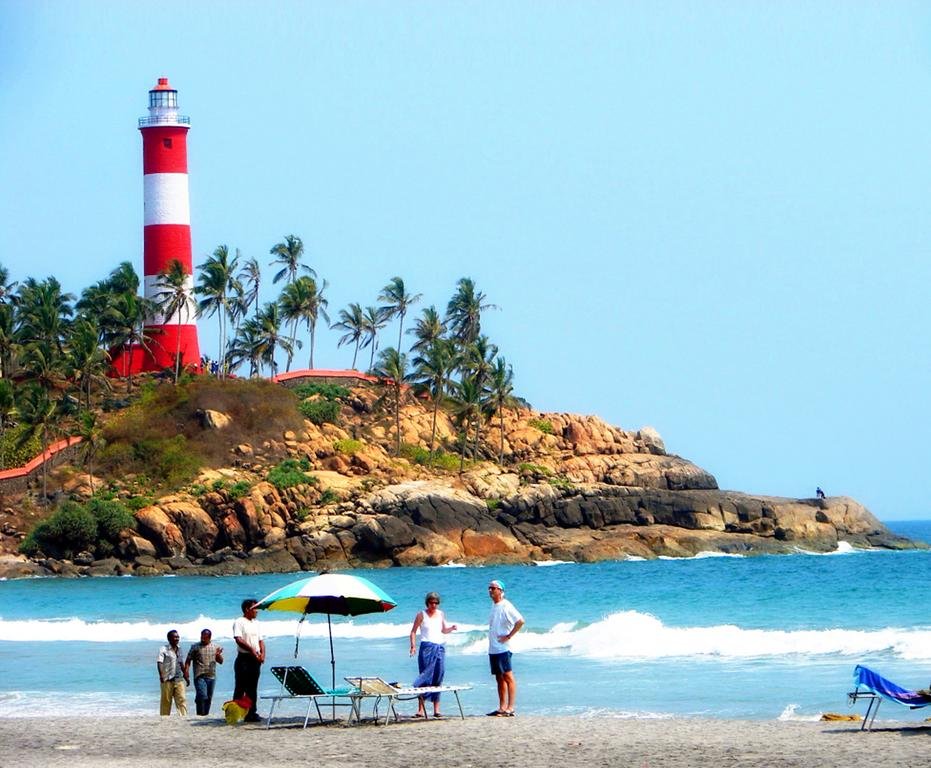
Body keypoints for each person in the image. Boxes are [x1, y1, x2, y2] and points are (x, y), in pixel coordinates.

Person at [408, 591, 457, 718]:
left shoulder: (441, 614)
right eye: (431, 603)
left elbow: (443, 630)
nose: (434, 605)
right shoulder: (421, 615)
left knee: (438, 676)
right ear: (427, 603)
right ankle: (420, 709)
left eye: (436, 603)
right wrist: (413, 646)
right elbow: (413, 632)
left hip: (439, 647)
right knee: (425, 676)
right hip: (426, 648)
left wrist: (451, 628)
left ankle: (437, 709)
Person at [487, 579, 524, 717]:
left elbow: (520, 621)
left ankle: (511, 707)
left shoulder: (506, 605)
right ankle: (502, 707)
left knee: (508, 676)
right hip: (493, 648)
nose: (491, 590)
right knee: (499, 678)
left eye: (493, 588)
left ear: (501, 591)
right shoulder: (494, 606)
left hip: (503, 648)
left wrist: (508, 636)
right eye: (490, 588)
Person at [232, 599, 265, 723]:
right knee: (241, 686)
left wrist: (262, 654)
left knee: (252, 687)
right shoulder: (239, 622)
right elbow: (238, 639)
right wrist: (252, 650)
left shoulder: (256, 623)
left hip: (255, 659)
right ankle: (236, 712)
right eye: (255, 608)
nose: (257, 611)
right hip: (244, 658)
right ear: (247, 609)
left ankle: (251, 712)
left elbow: (261, 641)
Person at [185, 628, 224, 716]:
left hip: (211, 676)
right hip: (199, 676)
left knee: (208, 699)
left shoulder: (215, 647)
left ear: (209, 638)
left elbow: (221, 661)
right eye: (201, 637)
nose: (202, 639)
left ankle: (205, 715)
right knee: (202, 696)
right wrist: (186, 671)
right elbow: (188, 660)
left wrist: (218, 655)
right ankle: (200, 715)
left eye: (205, 637)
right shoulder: (195, 647)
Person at [156, 629, 189, 716]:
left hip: (179, 679)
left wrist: (186, 676)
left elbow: (181, 662)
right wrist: (161, 675)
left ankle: (183, 717)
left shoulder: (180, 649)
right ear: (169, 639)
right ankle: (164, 718)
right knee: (166, 701)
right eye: (175, 637)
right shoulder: (163, 649)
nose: (177, 638)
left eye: (178, 637)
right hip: (167, 679)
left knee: (182, 699)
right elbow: (160, 662)